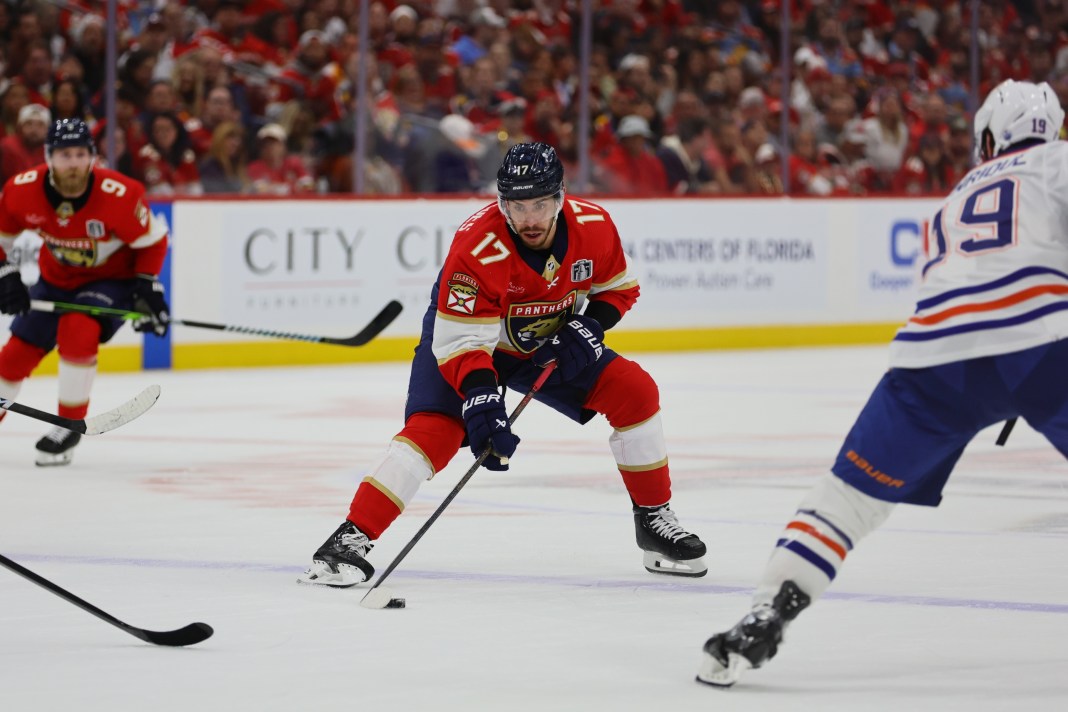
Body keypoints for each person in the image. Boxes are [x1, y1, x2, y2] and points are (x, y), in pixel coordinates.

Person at [697, 79, 1068, 687]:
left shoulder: (957, 194)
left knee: (848, 496)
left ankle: (765, 612)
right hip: (1039, 340)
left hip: (935, 357)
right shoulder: (1057, 160)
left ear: (985, 137)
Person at [299, 142, 707, 587]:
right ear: (502, 202)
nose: (529, 218)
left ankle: (652, 521)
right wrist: (481, 396)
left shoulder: (595, 225)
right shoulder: (477, 246)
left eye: (539, 204)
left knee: (635, 390)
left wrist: (590, 327)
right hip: (468, 343)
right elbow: (460, 342)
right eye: (517, 205)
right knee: (436, 432)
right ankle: (348, 540)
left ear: (560, 197)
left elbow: (617, 290)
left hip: (543, 344)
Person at [0, 118, 170, 466]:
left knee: (78, 327)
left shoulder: (121, 194)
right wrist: (5, 273)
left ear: (93, 156)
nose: (74, 163)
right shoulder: (21, 190)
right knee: (14, 356)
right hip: (55, 278)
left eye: (81, 154)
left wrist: (147, 283)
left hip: (110, 282)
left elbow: (153, 240)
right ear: (49, 157)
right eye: (65, 155)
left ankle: (67, 426)